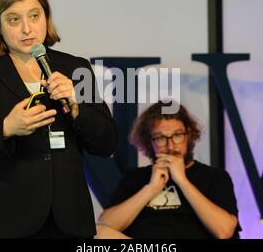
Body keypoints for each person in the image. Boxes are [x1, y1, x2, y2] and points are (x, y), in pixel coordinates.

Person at [0, 0, 117, 238]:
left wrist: (79, 106)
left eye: (34, 16)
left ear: (46, 17)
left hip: (66, 222)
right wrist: (5, 128)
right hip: (2, 220)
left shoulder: (76, 68)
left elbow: (107, 142)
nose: (27, 29)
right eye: (14, 19)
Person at [96, 101, 240, 239]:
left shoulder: (215, 177)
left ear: (188, 135)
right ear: (149, 141)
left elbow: (224, 231)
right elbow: (104, 226)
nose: (170, 146)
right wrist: (151, 188)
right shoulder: (135, 178)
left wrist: (183, 181)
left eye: (177, 135)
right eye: (160, 138)